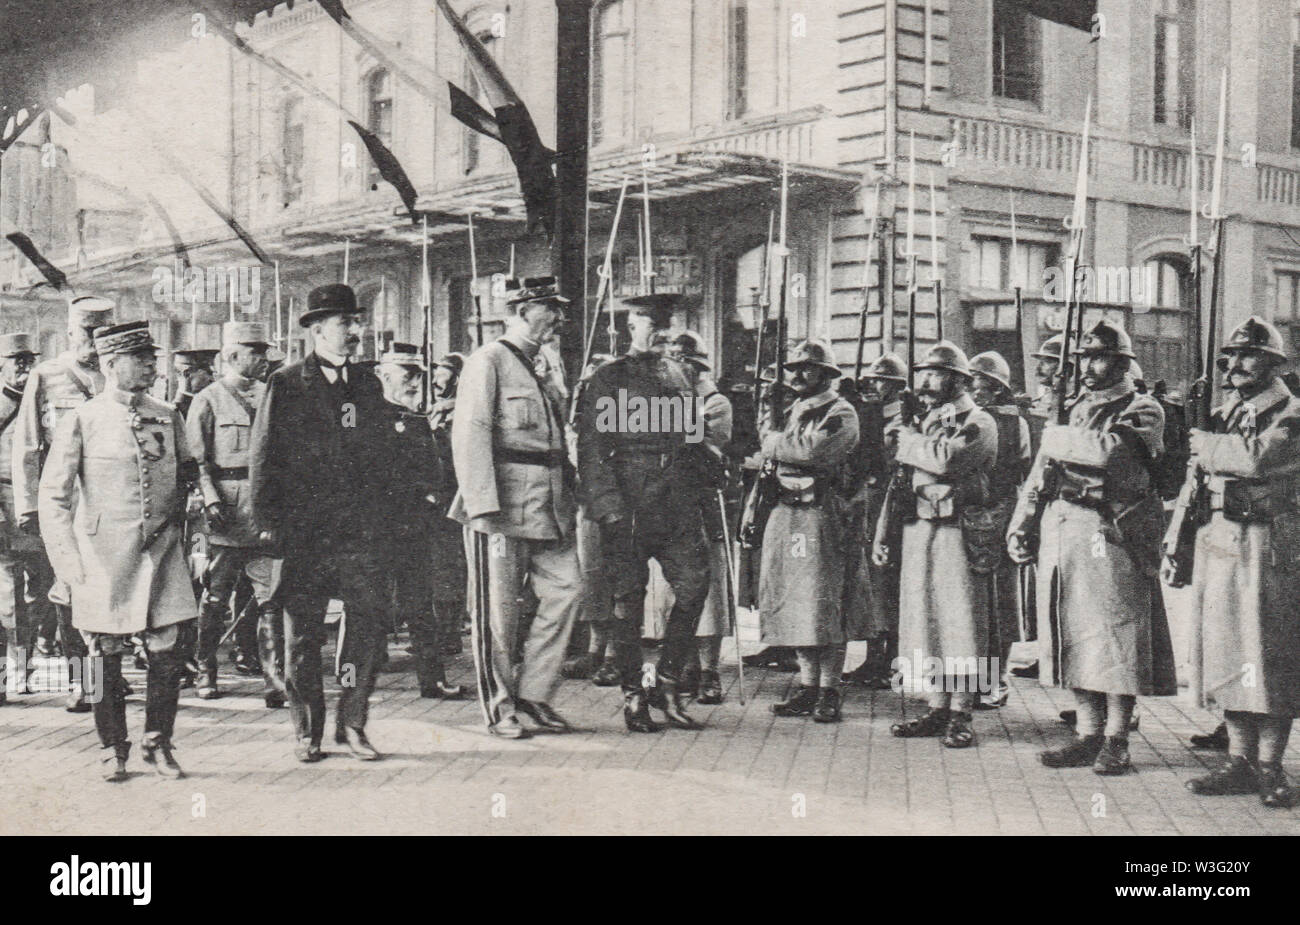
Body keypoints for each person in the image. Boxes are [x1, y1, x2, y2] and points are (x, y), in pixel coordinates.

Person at [1008, 321, 1176, 775]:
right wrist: (1022, 522)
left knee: (1115, 634)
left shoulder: (1143, 408)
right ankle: (1087, 732)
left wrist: (1055, 429)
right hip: (1064, 523)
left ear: (1122, 362)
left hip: (1114, 530)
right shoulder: (1074, 405)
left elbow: (1109, 453)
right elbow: (1043, 470)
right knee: (1073, 631)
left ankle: (1118, 737)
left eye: (1097, 357)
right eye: (1083, 357)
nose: (1086, 366)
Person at [38, 322, 198, 781]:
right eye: (142, 357)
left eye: (152, 356)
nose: (152, 364)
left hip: (162, 551)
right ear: (111, 364)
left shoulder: (168, 414)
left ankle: (157, 742)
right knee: (100, 652)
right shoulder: (83, 419)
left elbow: (187, 475)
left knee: (167, 647)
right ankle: (112, 746)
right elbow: (54, 495)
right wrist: (66, 558)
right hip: (102, 556)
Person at [249, 284, 395, 763]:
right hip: (305, 533)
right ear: (315, 330)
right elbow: (265, 457)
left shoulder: (368, 385)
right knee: (303, 637)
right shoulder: (287, 384)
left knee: (364, 630)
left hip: (360, 533)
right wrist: (270, 523)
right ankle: (307, 729)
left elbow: (379, 459)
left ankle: (352, 723)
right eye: (343, 323)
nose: (355, 331)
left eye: (356, 322)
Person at [1163, 317, 1300, 808]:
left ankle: (1270, 767)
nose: (1235, 364)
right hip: (1217, 539)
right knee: (1226, 651)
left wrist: (1206, 443)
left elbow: (1261, 459)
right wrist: (1176, 541)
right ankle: (1239, 761)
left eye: (1248, 356)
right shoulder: (1222, 414)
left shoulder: (1292, 413)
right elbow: (1193, 483)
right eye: (1232, 355)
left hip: (1269, 543)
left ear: (1273, 363)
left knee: (1267, 656)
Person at [449, 277, 580, 739]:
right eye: (550, 308)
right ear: (522, 310)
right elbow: (470, 433)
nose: (560, 318)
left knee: (569, 590)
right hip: (500, 504)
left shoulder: (546, 363)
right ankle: (499, 706)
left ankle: (535, 694)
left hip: (550, 503)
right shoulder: (489, 361)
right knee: (497, 614)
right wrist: (482, 504)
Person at [577, 293, 713, 732]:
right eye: (648, 322)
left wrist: (711, 469)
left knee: (694, 587)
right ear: (630, 325)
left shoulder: (680, 375)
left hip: (677, 506)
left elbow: (692, 442)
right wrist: (608, 506)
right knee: (627, 605)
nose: (658, 330)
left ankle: (669, 682)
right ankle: (634, 694)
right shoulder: (609, 378)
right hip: (629, 504)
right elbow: (593, 450)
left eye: (664, 323)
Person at [876, 341, 997, 749]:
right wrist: (883, 532)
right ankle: (937, 704)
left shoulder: (979, 420)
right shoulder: (926, 421)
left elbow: (946, 459)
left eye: (935, 373)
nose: (925, 381)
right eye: (922, 373)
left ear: (960, 380)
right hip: (921, 528)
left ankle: (962, 711)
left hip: (957, 530)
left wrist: (909, 443)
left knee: (960, 621)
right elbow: (902, 480)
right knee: (926, 617)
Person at [13, 296, 115, 712]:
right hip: (66, 508)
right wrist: (29, 507)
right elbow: (28, 444)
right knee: (70, 591)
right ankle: (83, 682)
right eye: (86, 333)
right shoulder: (47, 374)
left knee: (111, 591)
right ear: (71, 332)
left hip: (112, 506)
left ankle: (109, 678)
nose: (93, 341)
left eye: (100, 333)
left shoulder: (118, 376)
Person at [760, 340, 860, 723]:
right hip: (787, 508)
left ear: (826, 373)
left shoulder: (841, 411)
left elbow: (814, 451)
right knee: (794, 598)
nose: (798, 374)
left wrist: (772, 442)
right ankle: (807, 684)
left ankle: (829, 688)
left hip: (821, 512)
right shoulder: (795, 409)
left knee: (822, 600)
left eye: (807, 368)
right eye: (794, 368)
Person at [186, 322, 283, 706]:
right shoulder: (207, 399)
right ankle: (205, 669)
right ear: (232, 355)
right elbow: (197, 460)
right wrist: (210, 499)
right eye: (254, 352)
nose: (263, 359)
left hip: (264, 513)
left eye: (263, 352)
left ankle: (275, 678)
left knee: (271, 599)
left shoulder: (273, 394)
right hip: (225, 514)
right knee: (214, 599)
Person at [375, 343, 463, 700]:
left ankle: (432, 679)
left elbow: (435, 472)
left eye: (418, 376)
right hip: (377, 527)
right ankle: (352, 677)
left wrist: (429, 497)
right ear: (383, 376)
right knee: (366, 606)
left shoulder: (419, 421)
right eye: (406, 375)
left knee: (420, 605)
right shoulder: (365, 418)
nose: (414, 383)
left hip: (413, 528)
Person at [657, 331, 734, 705]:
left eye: (677, 361)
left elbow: (702, 440)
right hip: (671, 503)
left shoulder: (715, 403)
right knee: (679, 591)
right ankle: (684, 666)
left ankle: (709, 670)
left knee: (711, 592)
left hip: (705, 500)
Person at [968, 351, 1031, 709]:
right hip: (972, 513)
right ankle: (973, 677)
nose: (975, 392)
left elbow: (1018, 467)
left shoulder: (1012, 423)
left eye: (981, 385)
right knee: (975, 602)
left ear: (995, 389)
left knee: (1001, 601)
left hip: (1000, 511)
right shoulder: (969, 417)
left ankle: (998, 678)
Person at [842, 353, 908, 688]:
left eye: (881, 380)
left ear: (897, 385)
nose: (874, 385)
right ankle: (873, 656)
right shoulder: (869, 413)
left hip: (894, 502)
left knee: (888, 581)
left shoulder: (907, 414)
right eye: (873, 380)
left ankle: (892, 657)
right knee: (869, 582)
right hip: (870, 502)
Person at [0, 333, 50, 702]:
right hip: (4, 503)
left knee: (46, 586)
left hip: (41, 503)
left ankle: (33, 655)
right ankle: (17, 669)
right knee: (10, 590)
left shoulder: (43, 401)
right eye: (17, 360)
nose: (24, 367)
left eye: (29, 360)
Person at [428, 353, 468, 656]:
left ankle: (449, 632)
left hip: (453, 496)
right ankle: (439, 630)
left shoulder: (460, 410)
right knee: (438, 566)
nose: (436, 379)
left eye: (443, 373)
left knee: (448, 566)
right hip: (435, 496)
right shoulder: (434, 408)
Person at [170, 349, 218, 420]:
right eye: (208, 372)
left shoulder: (208, 404)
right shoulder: (176, 411)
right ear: (187, 373)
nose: (212, 379)